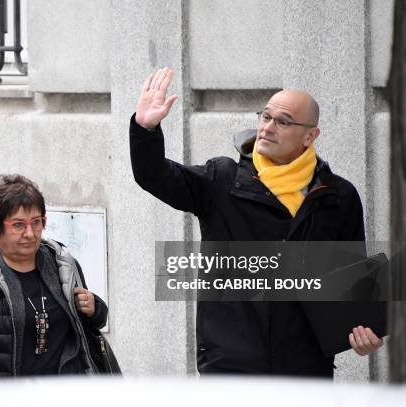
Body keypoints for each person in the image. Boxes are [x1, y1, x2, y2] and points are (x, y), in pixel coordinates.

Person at [130, 67, 383, 377]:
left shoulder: (338, 196)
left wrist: (360, 331)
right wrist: (145, 129)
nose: (268, 128)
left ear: (310, 135)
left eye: (283, 121)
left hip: (305, 370)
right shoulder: (221, 179)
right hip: (231, 368)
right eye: (266, 117)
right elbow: (153, 175)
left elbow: (351, 282)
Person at [0, 174, 108, 376]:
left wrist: (94, 308)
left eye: (37, 222)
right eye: (18, 225)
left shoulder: (61, 263)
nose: (30, 233)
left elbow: (87, 329)